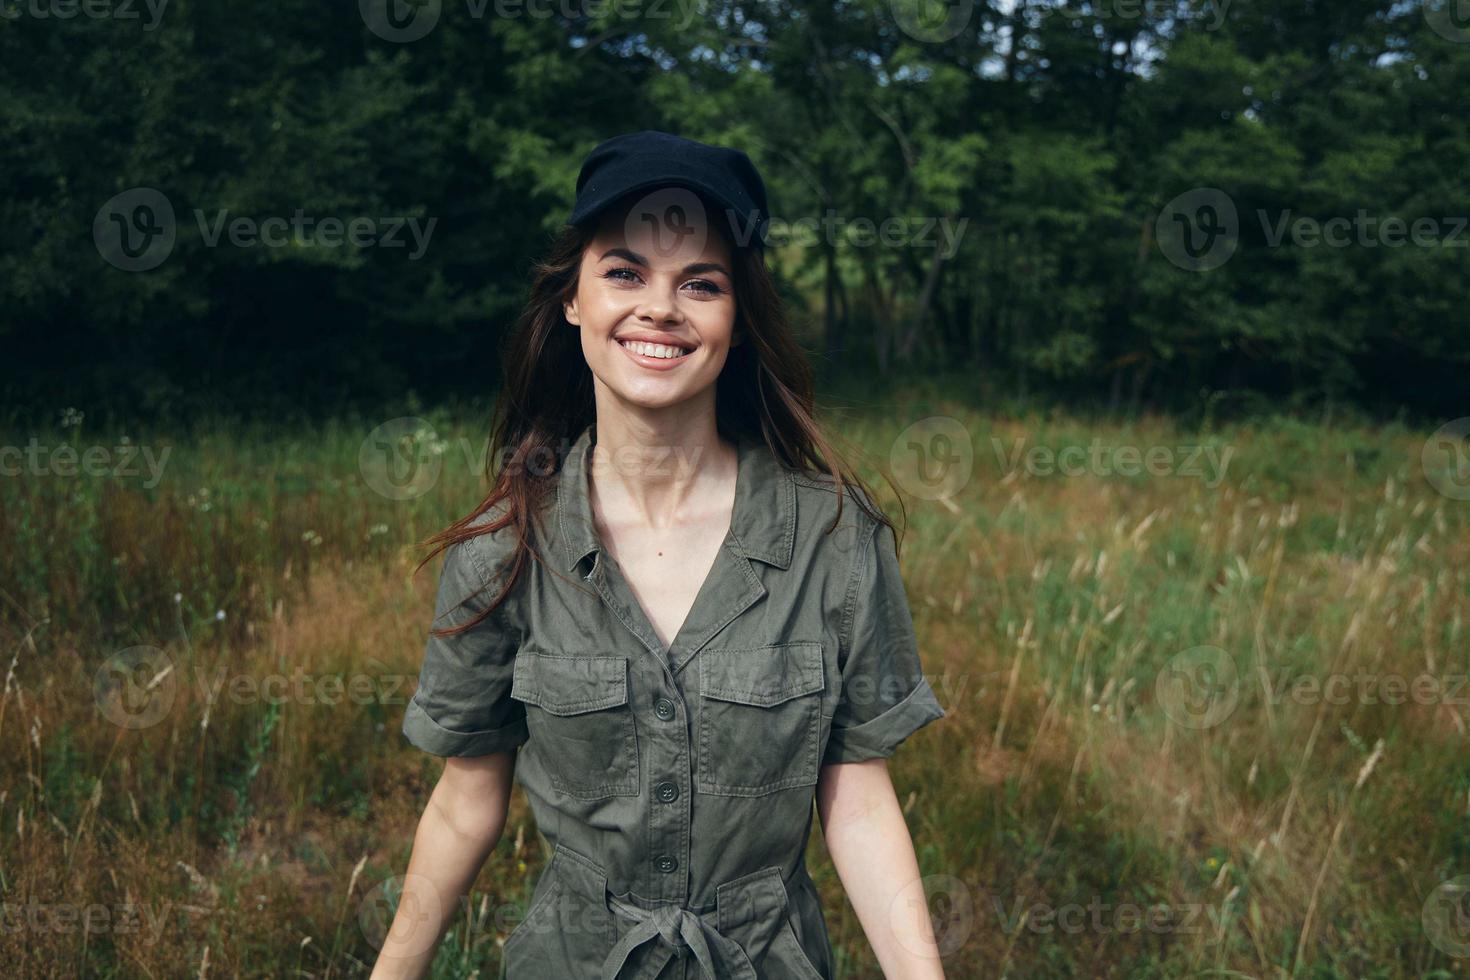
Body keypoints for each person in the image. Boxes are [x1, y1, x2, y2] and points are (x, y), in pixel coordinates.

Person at [370, 131, 948, 979]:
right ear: (573, 299)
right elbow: (465, 801)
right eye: (625, 272)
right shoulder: (505, 548)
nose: (660, 309)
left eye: (701, 284)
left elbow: (856, 802)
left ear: (737, 319)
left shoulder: (836, 537)